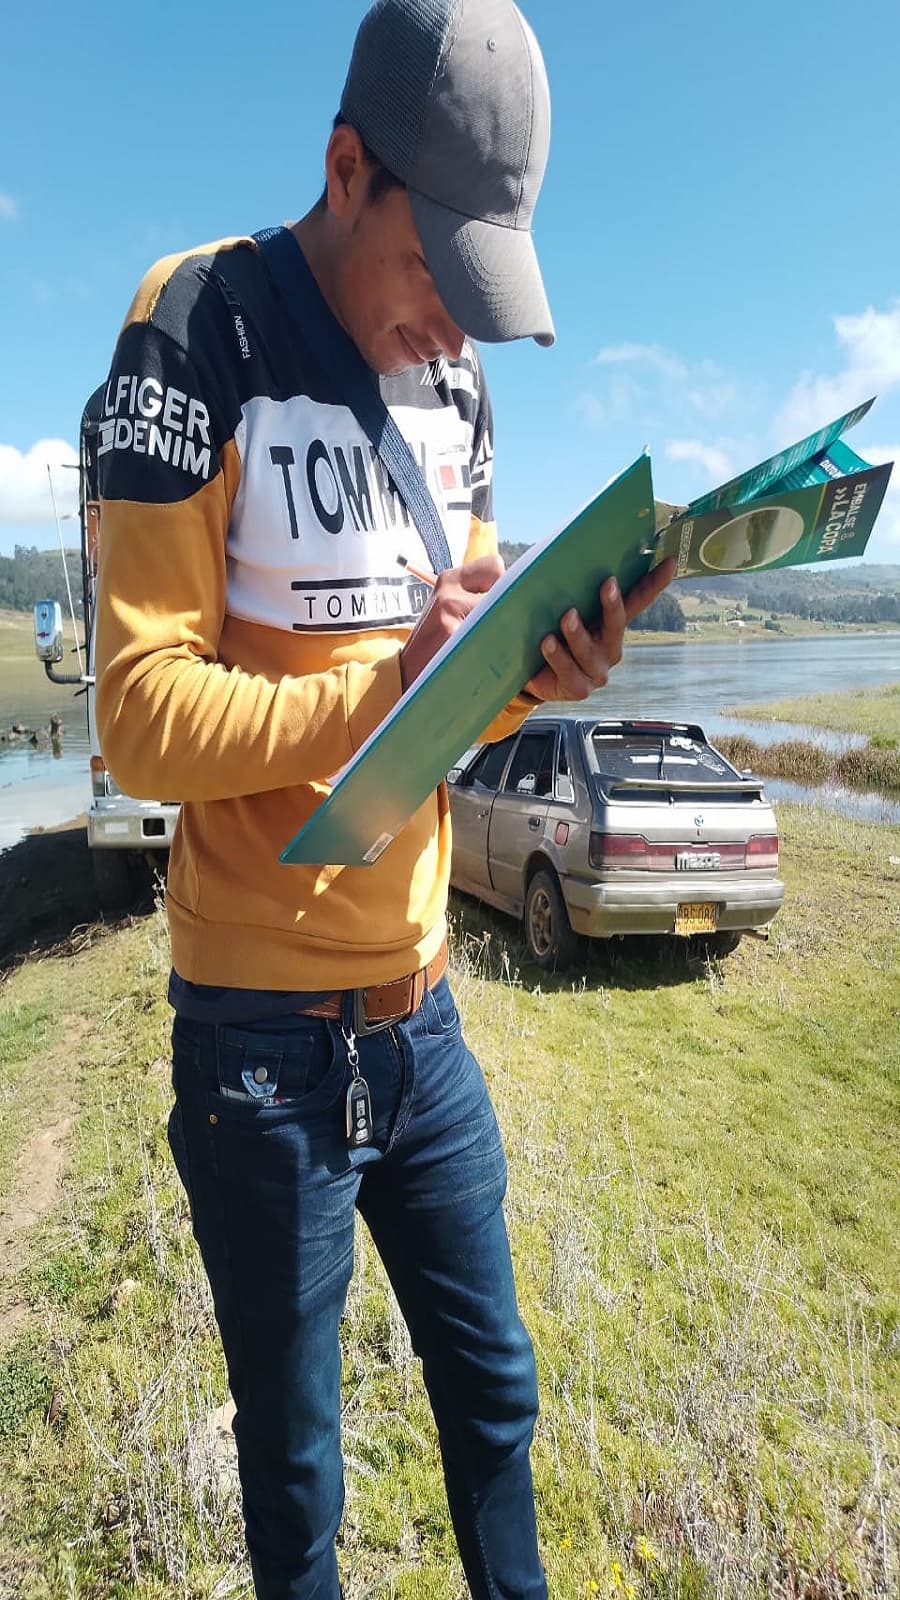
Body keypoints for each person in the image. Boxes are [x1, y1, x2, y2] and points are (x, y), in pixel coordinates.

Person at [94, 2, 673, 1595]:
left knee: (497, 1399)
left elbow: (453, 688)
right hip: (256, 1049)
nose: (456, 335)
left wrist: (534, 675)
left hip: (425, 1023)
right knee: (297, 1485)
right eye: (439, 276)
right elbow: (139, 719)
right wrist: (386, 690)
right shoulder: (192, 329)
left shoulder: (461, 401)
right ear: (346, 168)